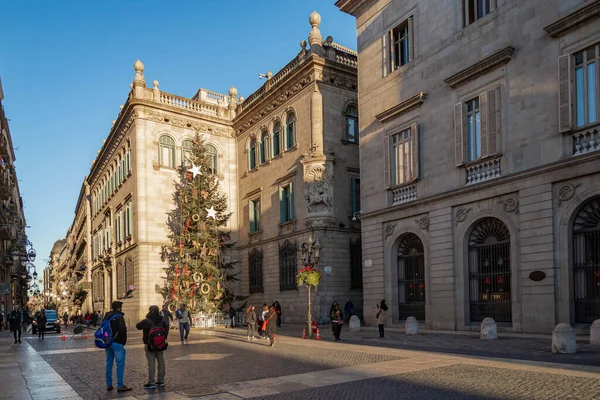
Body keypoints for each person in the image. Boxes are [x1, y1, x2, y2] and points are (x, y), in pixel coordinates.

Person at [136, 306, 167, 389]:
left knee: (151, 363)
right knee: (161, 362)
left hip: (150, 345)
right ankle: (161, 381)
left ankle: (151, 382)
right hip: (160, 344)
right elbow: (166, 331)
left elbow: (138, 326)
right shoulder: (162, 320)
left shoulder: (147, 321)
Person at [103, 301, 132, 392]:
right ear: (119, 308)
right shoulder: (119, 317)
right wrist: (122, 341)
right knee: (120, 364)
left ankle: (109, 384)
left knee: (109, 364)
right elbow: (122, 331)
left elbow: (104, 329)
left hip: (108, 343)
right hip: (117, 343)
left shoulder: (107, 316)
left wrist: (108, 339)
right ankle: (120, 385)